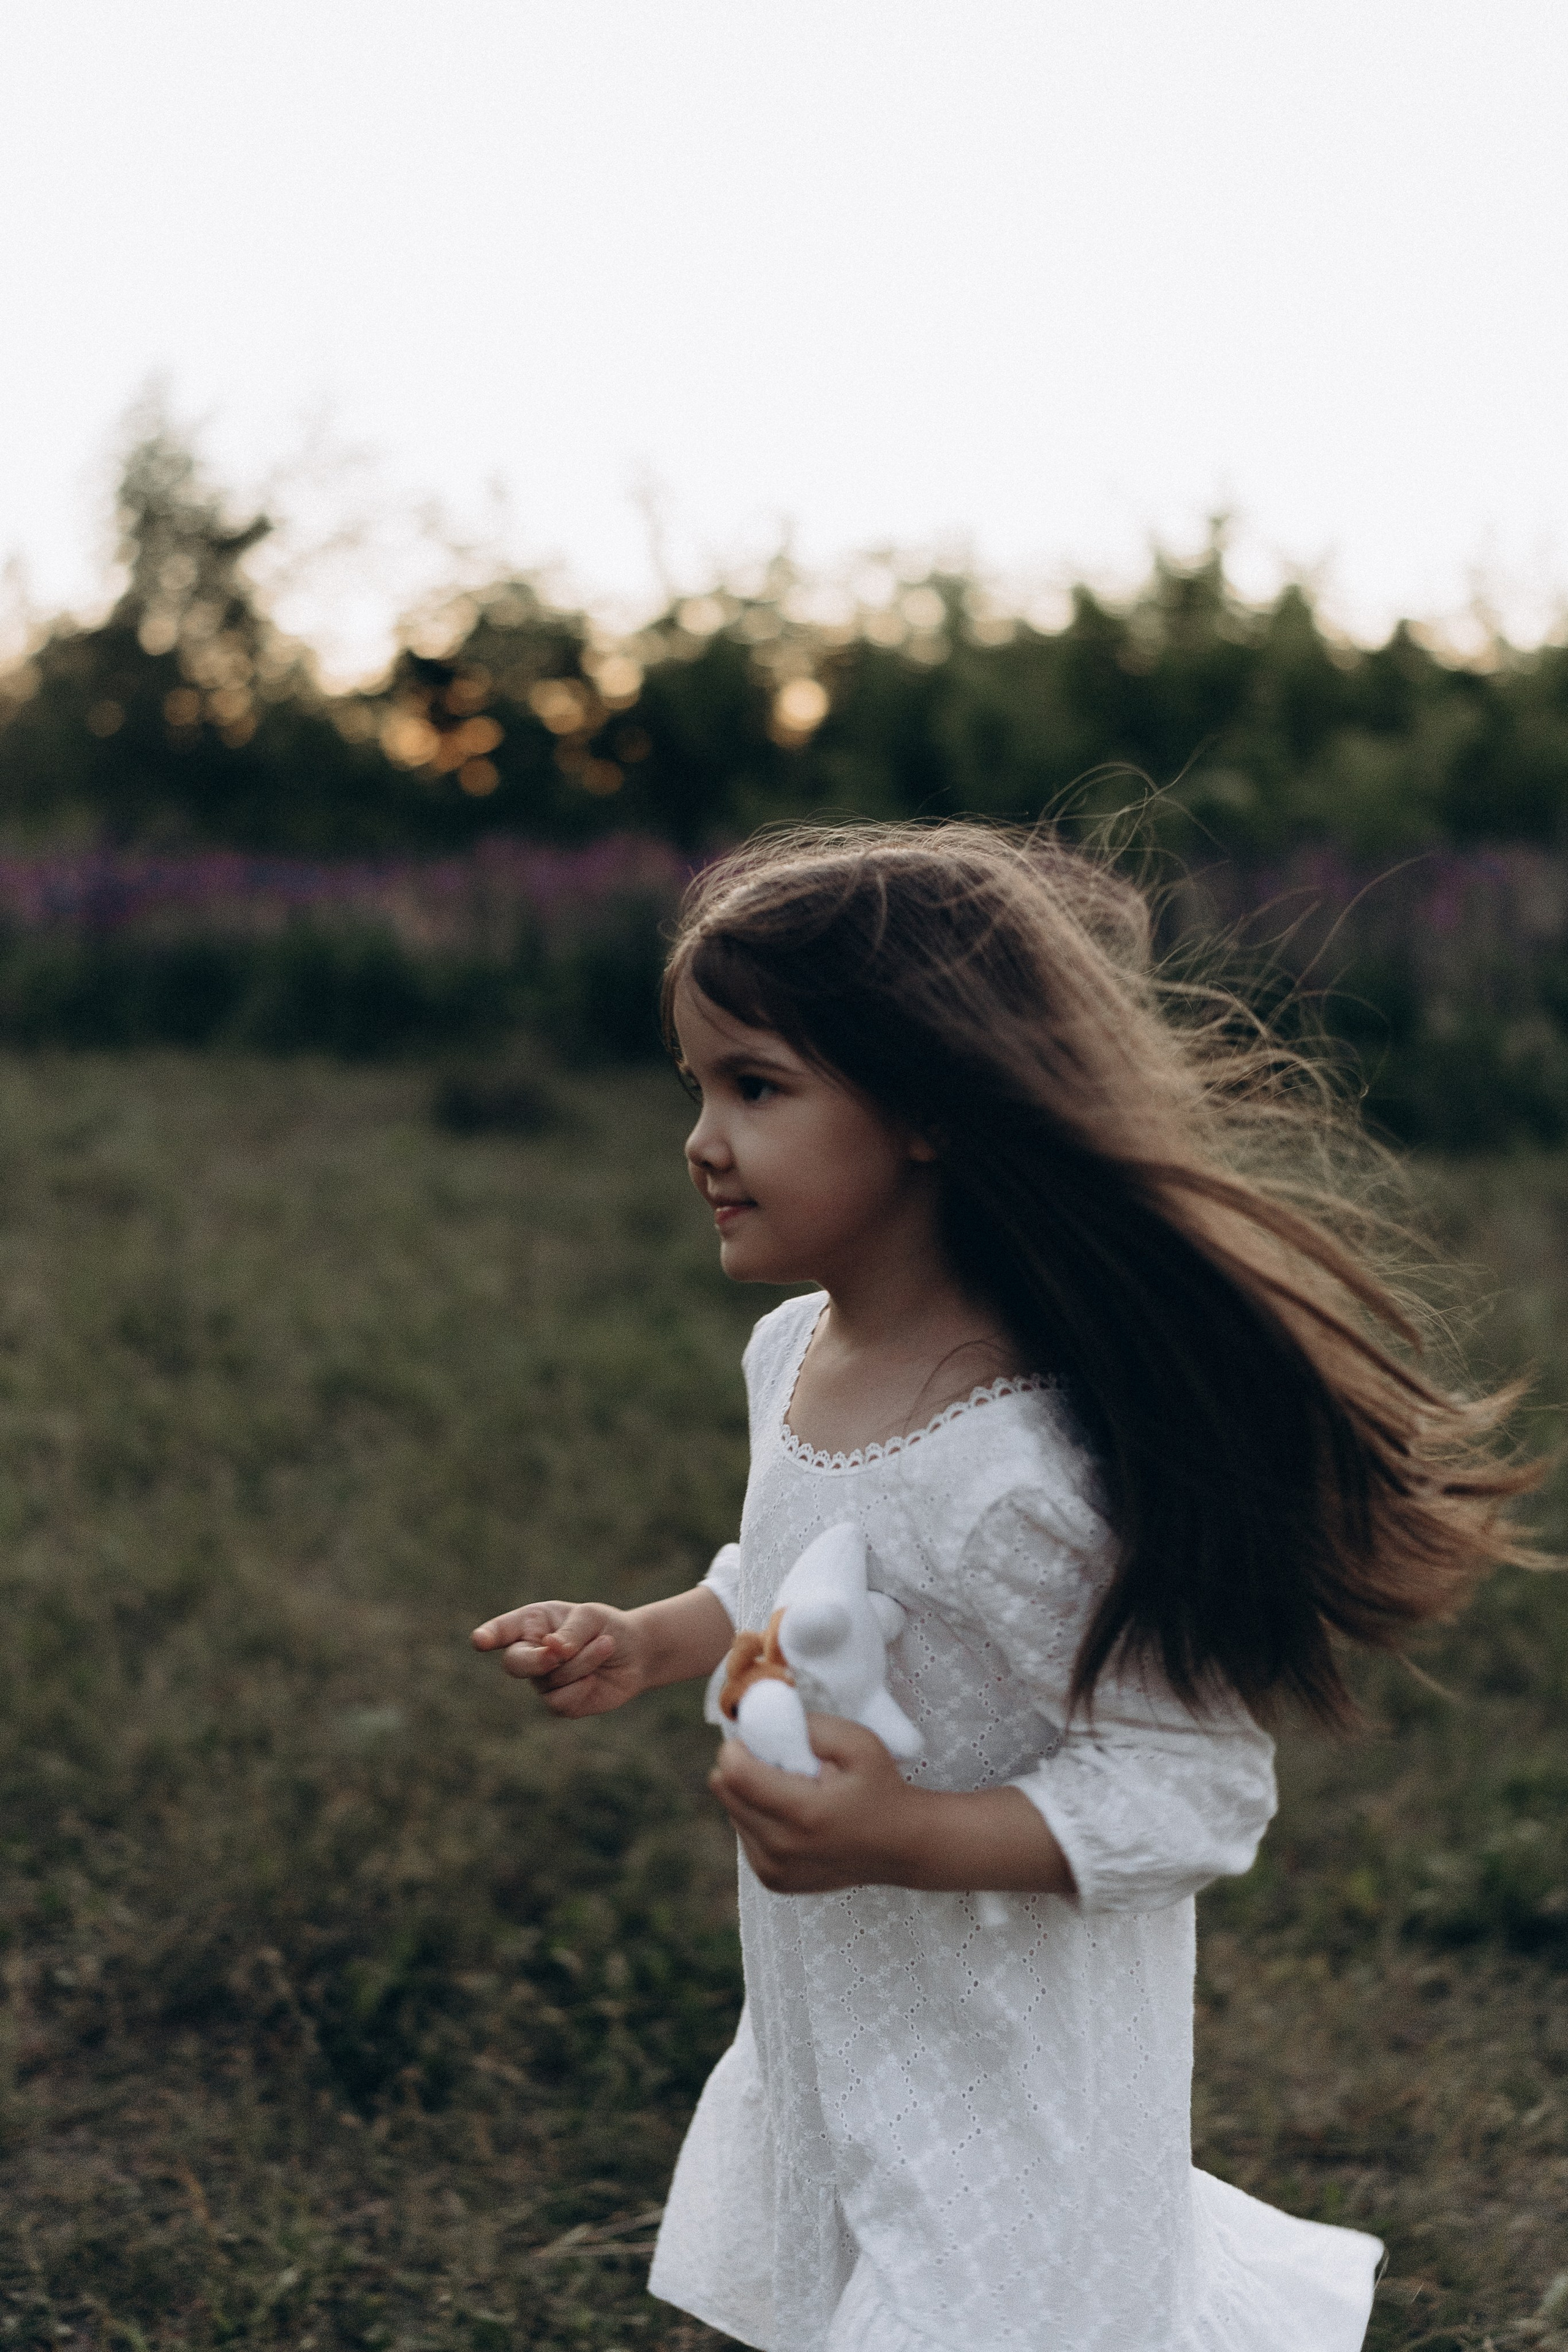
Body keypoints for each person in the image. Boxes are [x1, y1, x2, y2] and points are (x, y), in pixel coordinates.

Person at [472, 824, 1536, 2352]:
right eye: (695, 1086)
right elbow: (790, 1572)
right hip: (848, 2036)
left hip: (1012, 2095)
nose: (700, 1140)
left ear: (924, 1103)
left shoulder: (1025, 1473)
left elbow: (1192, 1790)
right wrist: (648, 1640)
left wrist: (902, 1832)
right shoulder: (794, 1357)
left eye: (755, 1087)